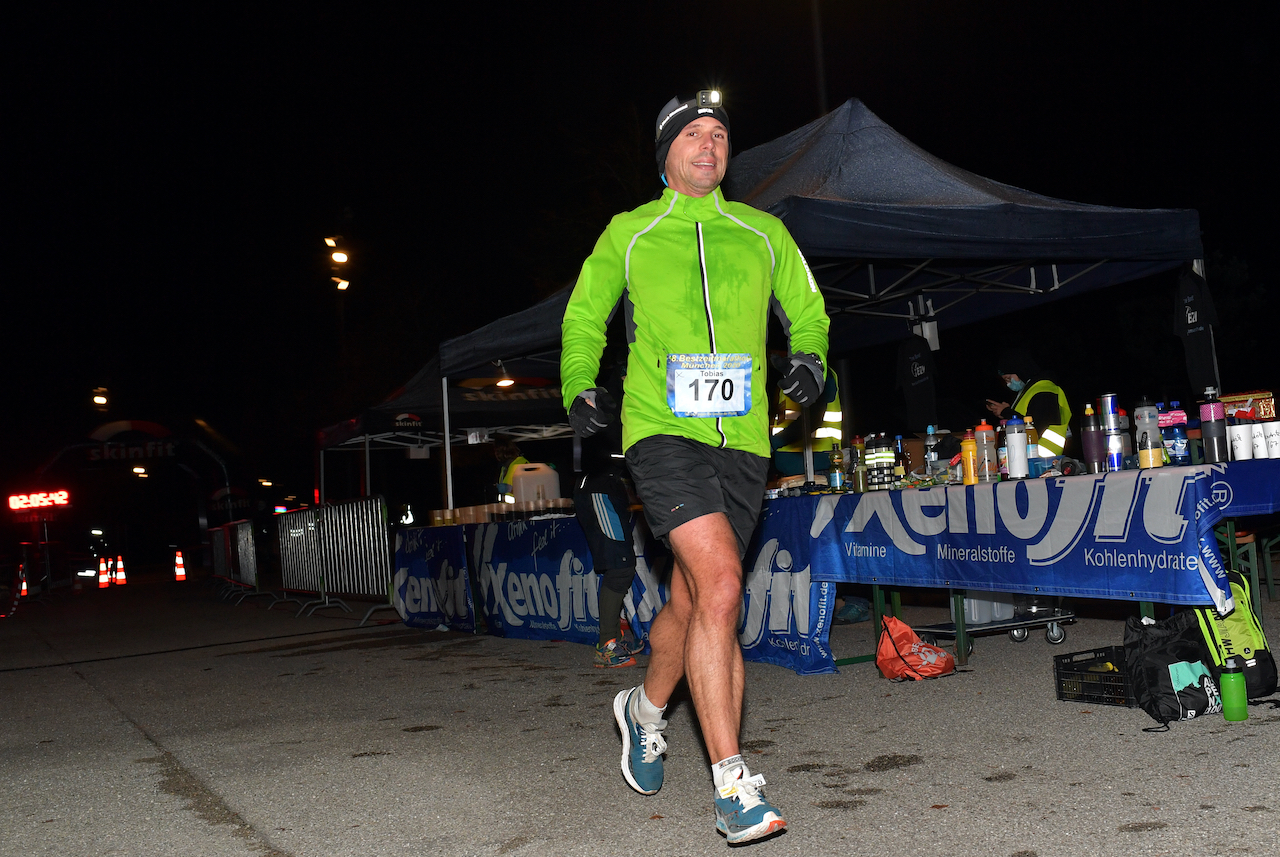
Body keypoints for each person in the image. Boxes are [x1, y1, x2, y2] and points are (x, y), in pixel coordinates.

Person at [560, 89, 829, 845]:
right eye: (693, 135)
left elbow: (808, 309)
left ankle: (643, 712)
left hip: (744, 445)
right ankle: (733, 784)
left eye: (719, 135)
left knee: (688, 600)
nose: (709, 146)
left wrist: (808, 356)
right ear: (666, 152)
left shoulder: (764, 231)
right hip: (661, 431)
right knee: (722, 586)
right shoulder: (632, 232)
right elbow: (585, 315)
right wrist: (581, 381)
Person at [984, 348, 1073, 457]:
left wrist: (1006, 412)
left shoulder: (1043, 391)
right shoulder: (1030, 390)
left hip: (1044, 460)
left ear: (1020, 370)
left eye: (1008, 378)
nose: (1008, 384)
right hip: (1034, 460)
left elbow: (1036, 428)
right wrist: (1005, 412)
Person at [493, 437, 527, 503]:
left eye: (497, 451)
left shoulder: (521, 464)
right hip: (508, 510)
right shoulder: (504, 468)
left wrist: (510, 489)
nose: (496, 454)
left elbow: (530, 490)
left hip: (521, 509)